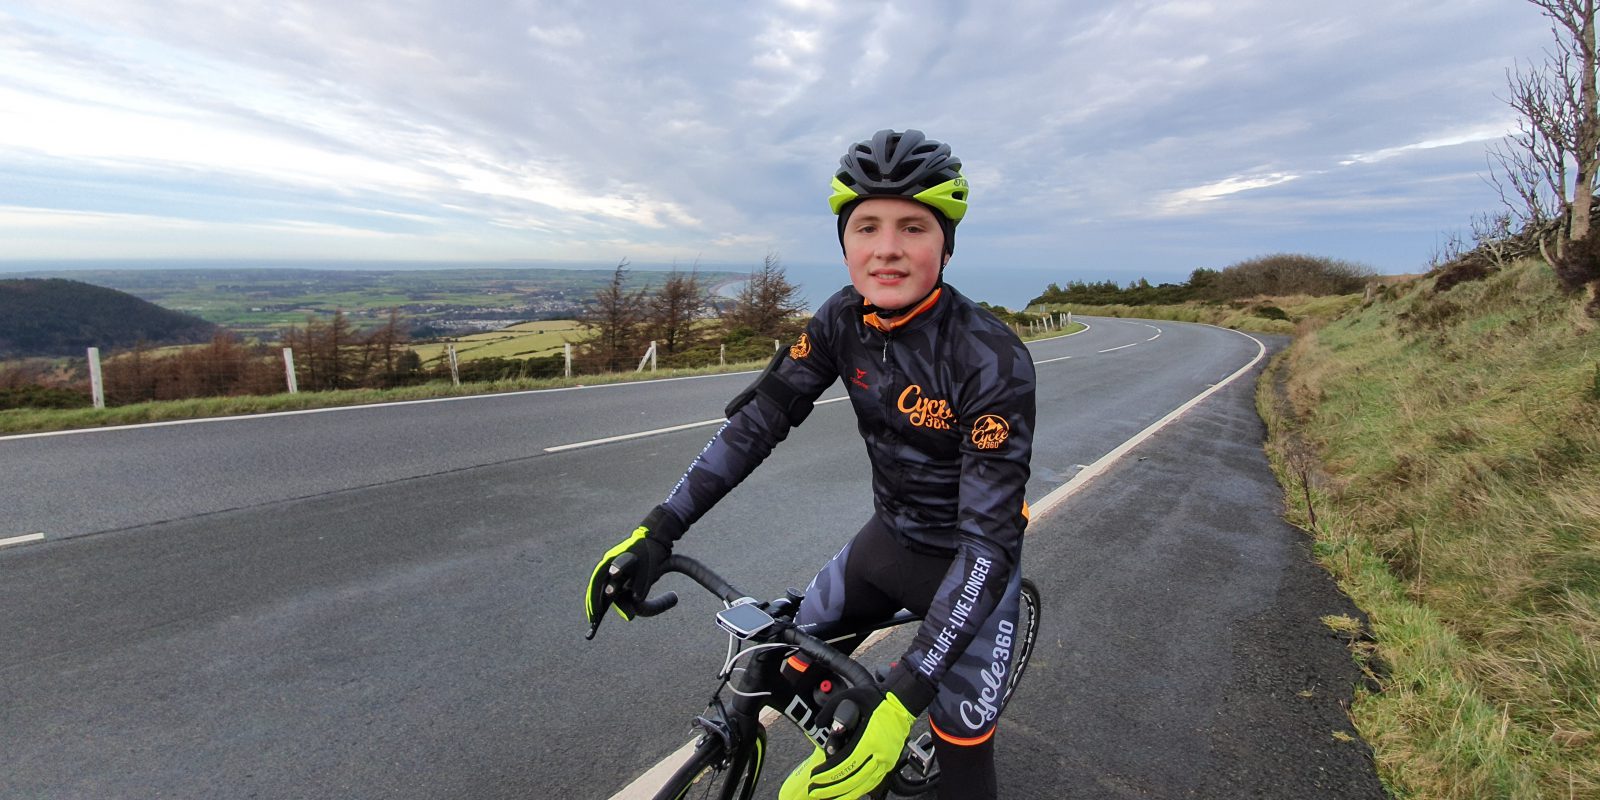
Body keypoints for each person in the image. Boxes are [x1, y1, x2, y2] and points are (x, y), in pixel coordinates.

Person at [584, 129, 1035, 800]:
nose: (886, 248)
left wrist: (908, 693)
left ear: (945, 242)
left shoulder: (988, 358)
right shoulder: (839, 320)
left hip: (970, 573)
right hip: (886, 544)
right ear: (845, 241)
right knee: (778, 658)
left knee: (962, 758)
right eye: (867, 226)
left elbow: (987, 543)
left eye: (913, 226)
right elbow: (758, 423)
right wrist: (659, 530)